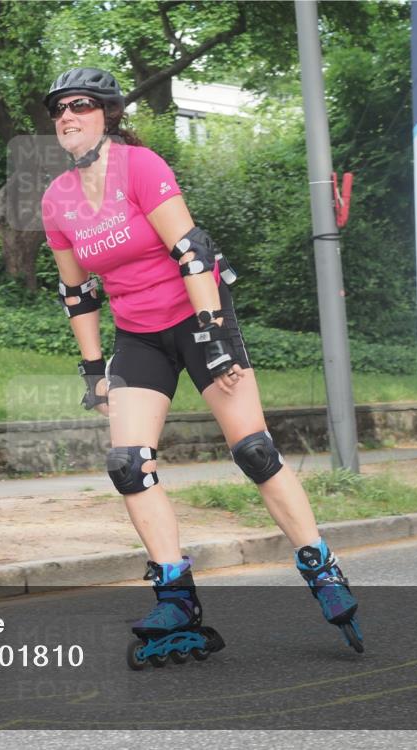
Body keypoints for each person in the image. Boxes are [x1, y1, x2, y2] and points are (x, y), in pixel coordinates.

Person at [39, 67, 363, 666]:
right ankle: (176, 595)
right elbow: (78, 293)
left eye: (80, 105)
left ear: (105, 113)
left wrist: (213, 336)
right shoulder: (56, 200)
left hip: (197, 316)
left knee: (254, 452)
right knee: (127, 462)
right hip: (138, 334)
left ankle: (320, 565)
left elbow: (193, 250)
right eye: (59, 109)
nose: (67, 116)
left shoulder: (140, 166)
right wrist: (93, 371)